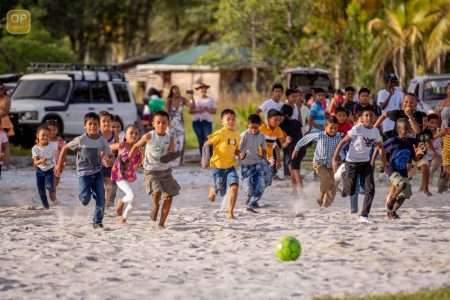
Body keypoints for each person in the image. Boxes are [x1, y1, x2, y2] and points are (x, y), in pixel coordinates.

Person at [54, 112, 114, 229]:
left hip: (97, 173)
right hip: (84, 174)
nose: (93, 127)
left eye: (95, 124)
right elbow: (65, 148)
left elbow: (110, 155)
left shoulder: (102, 141)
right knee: (85, 197)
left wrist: (109, 161)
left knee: (101, 198)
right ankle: (86, 197)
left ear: (99, 126)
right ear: (85, 126)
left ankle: (97, 221)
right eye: (90, 124)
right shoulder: (81, 139)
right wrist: (59, 164)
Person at [129, 111, 181, 230]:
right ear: (153, 123)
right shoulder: (149, 136)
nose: (161, 125)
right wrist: (127, 161)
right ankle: (155, 206)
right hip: (151, 171)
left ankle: (161, 223)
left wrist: (171, 155)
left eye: (164, 123)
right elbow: (136, 146)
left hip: (166, 172)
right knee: (157, 191)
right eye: (158, 123)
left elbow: (171, 153)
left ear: (168, 124)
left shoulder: (169, 138)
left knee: (169, 198)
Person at [375, 93, 434, 196]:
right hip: (399, 148)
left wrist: (410, 115)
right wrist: (374, 127)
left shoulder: (418, 115)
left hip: (413, 149)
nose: (408, 104)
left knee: (408, 175)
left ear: (415, 104)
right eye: (406, 102)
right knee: (400, 174)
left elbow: (417, 131)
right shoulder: (397, 113)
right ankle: (391, 195)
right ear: (402, 103)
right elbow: (384, 115)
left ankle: (424, 188)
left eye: (411, 102)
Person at [333, 107, 383, 223]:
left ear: (375, 118)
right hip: (352, 163)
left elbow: (380, 146)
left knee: (370, 189)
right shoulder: (357, 128)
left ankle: (364, 215)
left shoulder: (375, 131)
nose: (369, 118)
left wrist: (384, 162)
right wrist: (335, 158)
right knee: (350, 191)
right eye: (366, 116)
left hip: (366, 163)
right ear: (362, 118)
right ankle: (343, 172)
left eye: (371, 116)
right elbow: (343, 142)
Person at [293, 116, 342, 208]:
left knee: (333, 187)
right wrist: (296, 149)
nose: (333, 130)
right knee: (326, 178)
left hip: (330, 165)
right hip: (319, 164)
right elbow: (305, 139)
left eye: (335, 128)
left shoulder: (339, 138)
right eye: (331, 128)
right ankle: (320, 194)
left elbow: (341, 149)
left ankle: (324, 206)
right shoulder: (320, 135)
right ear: (325, 127)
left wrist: (339, 160)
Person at [203, 109, 243, 219]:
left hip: (230, 166)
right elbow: (207, 143)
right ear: (222, 122)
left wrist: (240, 154)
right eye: (228, 119)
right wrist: (205, 157)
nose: (231, 121)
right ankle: (214, 188)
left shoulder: (237, 135)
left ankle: (230, 212)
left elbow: (236, 150)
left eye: (233, 119)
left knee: (234, 187)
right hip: (218, 167)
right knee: (221, 192)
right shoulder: (219, 133)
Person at [383, 119, 425, 219]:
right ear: (398, 130)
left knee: (403, 196)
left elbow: (414, 158)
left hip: (404, 172)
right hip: (393, 170)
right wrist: (384, 163)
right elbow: (381, 148)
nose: (408, 131)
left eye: (409, 129)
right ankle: (391, 200)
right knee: (402, 185)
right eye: (405, 129)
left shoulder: (412, 142)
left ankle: (391, 212)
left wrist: (418, 154)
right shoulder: (394, 141)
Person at [111, 125, 142, 225]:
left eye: (136, 133)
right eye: (131, 133)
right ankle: (121, 201)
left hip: (131, 176)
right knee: (131, 195)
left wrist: (143, 154)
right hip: (119, 175)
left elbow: (139, 165)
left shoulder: (138, 149)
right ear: (125, 135)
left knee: (134, 201)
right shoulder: (122, 145)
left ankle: (123, 219)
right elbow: (107, 148)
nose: (134, 135)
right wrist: (107, 158)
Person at [239, 114, 267, 213]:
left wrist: (264, 161)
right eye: (251, 128)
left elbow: (264, 149)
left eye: (256, 127)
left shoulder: (262, 135)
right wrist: (240, 155)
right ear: (248, 125)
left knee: (259, 185)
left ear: (259, 125)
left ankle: (253, 202)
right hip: (245, 164)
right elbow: (237, 149)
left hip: (257, 163)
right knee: (248, 187)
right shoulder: (244, 135)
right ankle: (249, 198)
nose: (254, 130)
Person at [165, 85, 194, 165]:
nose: (178, 92)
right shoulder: (169, 101)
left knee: (181, 142)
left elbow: (192, 106)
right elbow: (166, 113)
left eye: (178, 91)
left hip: (180, 124)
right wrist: (168, 124)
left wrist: (192, 96)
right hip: (171, 124)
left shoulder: (183, 99)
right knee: (171, 142)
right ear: (172, 92)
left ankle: (179, 161)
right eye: (176, 91)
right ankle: (170, 160)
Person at [32, 126, 60, 209]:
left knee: (49, 185)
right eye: (43, 135)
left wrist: (57, 165)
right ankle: (45, 206)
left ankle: (50, 187)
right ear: (37, 135)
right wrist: (41, 160)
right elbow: (35, 162)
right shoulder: (35, 148)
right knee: (41, 191)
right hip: (39, 171)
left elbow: (55, 157)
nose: (45, 137)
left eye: (47, 136)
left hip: (49, 170)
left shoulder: (52, 146)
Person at [259, 109, 287, 187]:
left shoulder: (278, 130)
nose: (278, 122)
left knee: (269, 181)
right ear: (268, 119)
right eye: (275, 120)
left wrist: (278, 160)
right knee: (262, 176)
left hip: (269, 158)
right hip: (259, 156)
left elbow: (278, 146)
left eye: (279, 120)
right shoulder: (261, 129)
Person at [280, 104, 304, 195]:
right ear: (292, 113)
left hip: (294, 150)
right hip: (302, 147)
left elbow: (284, 144)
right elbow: (301, 135)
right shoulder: (297, 122)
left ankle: (302, 193)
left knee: (295, 170)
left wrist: (285, 143)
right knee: (291, 166)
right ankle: (294, 190)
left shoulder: (282, 125)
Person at [189, 82, 217, 156]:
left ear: (206, 89)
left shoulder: (210, 100)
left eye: (204, 88)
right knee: (200, 140)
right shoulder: (194, 99)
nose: (202, 89)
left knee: (208, 139)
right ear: (198, 90)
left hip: (207, 122)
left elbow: (214, 111)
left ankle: (211, 157)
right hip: (197, 122)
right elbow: (190, 111)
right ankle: (203, 158)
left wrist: (208, 109)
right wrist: (197, 110)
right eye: (201, 88)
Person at [98, 111, 119, 207]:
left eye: (108, 121)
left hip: (110, 164)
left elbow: (118, 152)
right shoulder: (95, 135)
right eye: (104, 121)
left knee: (108, 186)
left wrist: (113, 161)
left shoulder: (115, 136)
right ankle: (100, 200)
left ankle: (104, 205)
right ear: (99, 123)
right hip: (96, 165)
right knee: (98, 185)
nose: (106, 123)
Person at [377, 73, 403, 139]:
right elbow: (382, 107)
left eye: (395, 82)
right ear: (387, 82)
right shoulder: (381, 93)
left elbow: (402, 106)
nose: (393, 84)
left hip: (398, 125)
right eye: (391, 82)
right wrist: (390, 95)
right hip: (387, 126)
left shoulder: (400, 93)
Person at [45, 120, 66, 187]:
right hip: (47, 164)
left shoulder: (60, 140)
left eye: (54, 130)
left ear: (57, 130)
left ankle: (54, 192)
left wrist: (63, 162)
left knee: (55, 183)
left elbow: (64, 153)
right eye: (50, 130)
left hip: (58, 164)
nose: (52, 132)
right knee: (48, 181)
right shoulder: (44, 140)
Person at [426, 114, 444, 190]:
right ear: (427, 122)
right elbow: (426, 144)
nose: (434, 125)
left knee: (438, 163)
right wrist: (433, 152)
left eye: (436, 123)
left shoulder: (440, 131)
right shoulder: (425, 131)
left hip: (438, 151)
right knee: (428, 166)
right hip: (428, 150)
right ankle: (428, 181)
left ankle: (434, 177)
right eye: (431, 122)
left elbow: (442, 142)